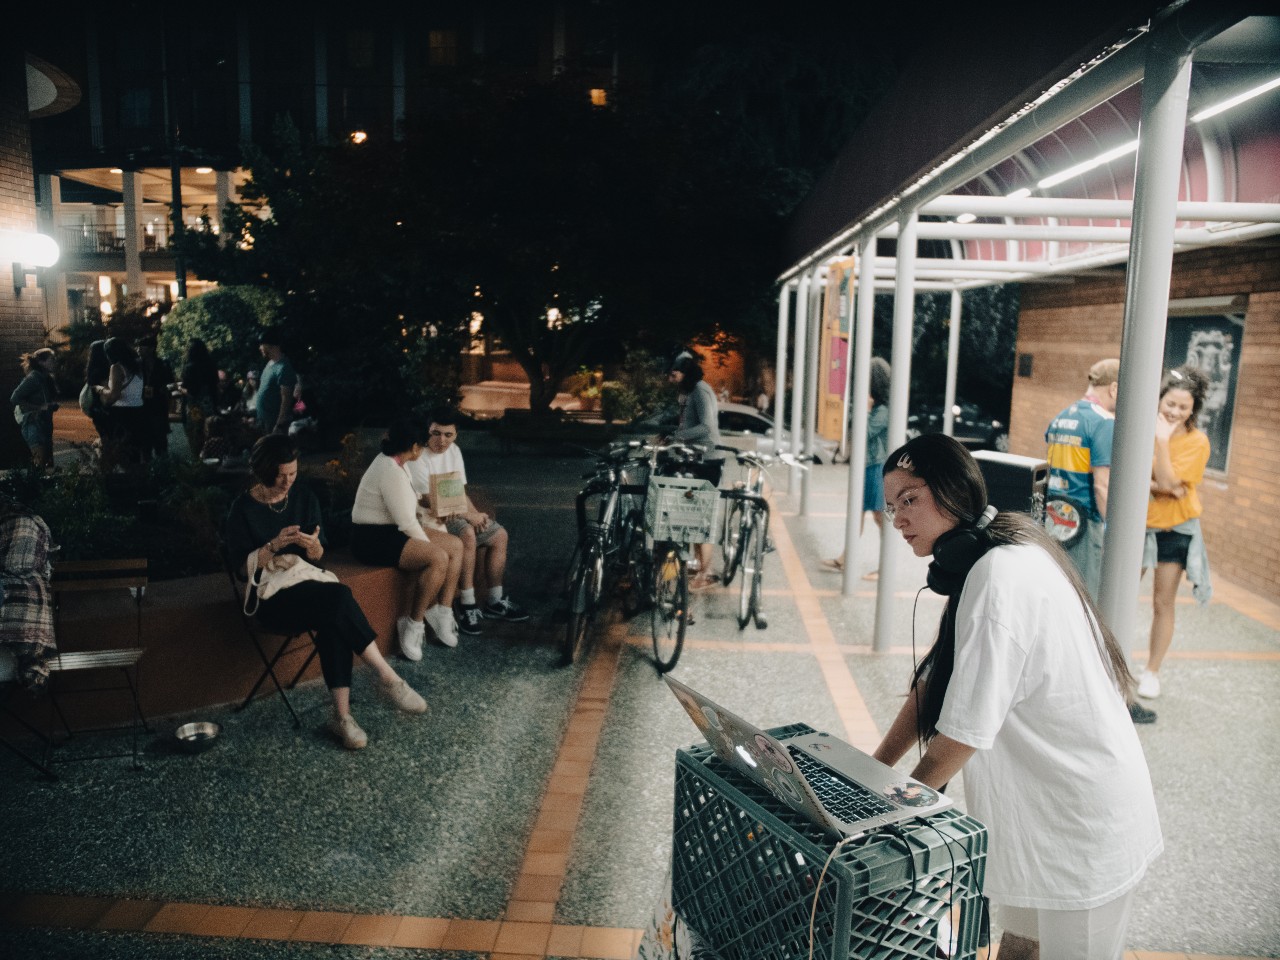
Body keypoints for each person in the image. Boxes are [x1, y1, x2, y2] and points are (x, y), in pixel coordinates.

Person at [872, 435, 1161, 960]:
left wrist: (890, 815)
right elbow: (935, 681)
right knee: (1019, 947)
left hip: (1080, 826)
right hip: (1040, 822)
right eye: (892, 506)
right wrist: (873, 772)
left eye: (910, 499)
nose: (898, 518)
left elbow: (961, 735)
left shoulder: (1000, 578)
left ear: (954, 492)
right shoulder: (996, 557)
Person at [224, 434, 426, 750]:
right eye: (280, 475)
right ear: (263, 472)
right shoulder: (243, 509)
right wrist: (274, 545)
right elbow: (241, 570)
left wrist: (312, 546)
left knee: (333, 612)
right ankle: (386, 678)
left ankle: (343, 717)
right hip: (271, 598)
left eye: (292, 473)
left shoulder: (303, 497)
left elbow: (318, 557)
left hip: (308, 585)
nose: (287, 481)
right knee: (337, 599)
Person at [405, 408, 528, 636]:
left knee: (499, 535)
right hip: (431, 519)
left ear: (456, 435)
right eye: (436, 433)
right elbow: (428, 500)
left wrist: (476, 513)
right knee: (467, 534)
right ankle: (467, 604)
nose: (442, 441)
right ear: (427, 431)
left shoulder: (454, 451)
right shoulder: (418, 455)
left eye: (448, 435)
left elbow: (459, 491)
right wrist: (468, 516)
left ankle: (495, 600)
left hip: (454, 512)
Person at [350, 418, 461, 656]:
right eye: (422, 444)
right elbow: (407, 523)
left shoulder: (399, 463)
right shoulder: (389, 469)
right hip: (372, 539)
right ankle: (413, 624)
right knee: (438, 558)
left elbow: (410, 503)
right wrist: (430, 547)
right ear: (413, 447)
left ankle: (442, 612)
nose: (425, 448)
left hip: (391, 531)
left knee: (455, 546)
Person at [1137, 366, 1212, 704]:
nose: (1175, 412)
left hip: (1175, 528)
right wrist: (1164, 488)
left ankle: (1151, 672)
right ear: (1159, 399)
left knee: (1162, 602)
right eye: (1170, 404)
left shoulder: (1197, 442)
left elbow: (1168, 481)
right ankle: (1107, 659)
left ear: (1193, 409)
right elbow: (1157, 482)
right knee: (1120, 593)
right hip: (1138, 525)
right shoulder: (1140, 427)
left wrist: (1163, 443)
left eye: (1184, 407)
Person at [1044, 358, 1120, 601]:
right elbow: (1102, 486)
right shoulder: (1104, 422)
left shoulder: (1061, 417)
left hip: (1054, 519)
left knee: (1057, 592)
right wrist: (1114, 531)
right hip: (1084, 524)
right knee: (1084, 601)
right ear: (1114, 388)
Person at [823, 356, 890, 577]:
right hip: (868, 466)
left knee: (880, 517)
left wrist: (866, 409)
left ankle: (885, 567)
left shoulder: (883, 411)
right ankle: (844, 559)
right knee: (858, 512)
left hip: (876, 468)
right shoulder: (877, 408)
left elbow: (864, 432)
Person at [667, 353, 724, 590]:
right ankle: (699, 566)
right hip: (695, 459)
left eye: (674, 375)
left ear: (685, 373)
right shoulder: (691, 391)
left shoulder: (700, 390)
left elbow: (706, 427)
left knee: (702, 518)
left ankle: (706, 572)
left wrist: (677, 436)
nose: (670, 380)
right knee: (693, 516)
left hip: (707, 461)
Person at [96, 337, 146, 465]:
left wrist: (101, 390)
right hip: (139, 411)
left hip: (122, 414)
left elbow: (115, 394)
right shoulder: (138, 365)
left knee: (121, 452)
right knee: (135, 451)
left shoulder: (116, 368)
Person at [10, 348, 58, 469]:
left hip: (44, 426)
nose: (55, 362)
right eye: (51, 359)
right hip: (33, 425)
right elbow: (14, 398)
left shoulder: (46, 379)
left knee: (46, 465)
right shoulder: (34, 378)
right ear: (41, 362)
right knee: (40, 464)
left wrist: (51, 405)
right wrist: (39, 407)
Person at [135, 335, 174, 459]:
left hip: (158, 406)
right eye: (138, 347)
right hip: (141, 407)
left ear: (152, 348)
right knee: (144, 444)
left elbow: (171, 383)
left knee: (160, 442)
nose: (138, 349)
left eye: (142, 347)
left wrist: (164, 389)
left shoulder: (162, 364)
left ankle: (163, 467)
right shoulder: (136, 365)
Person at [179, 338, 220, 453]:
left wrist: (180, 389)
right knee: (210, 433)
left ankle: (198, 459)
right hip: (210, 405)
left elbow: (191, 392)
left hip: (195, 408)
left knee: (196, 434)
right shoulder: (211, 365)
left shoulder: (190, 367)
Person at [255, 330, 297, 436]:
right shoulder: (269, 364)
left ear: (271, 345)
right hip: (263, 420)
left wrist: (279, 424)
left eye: (262, 344)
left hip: (274, 423)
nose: (260, 348)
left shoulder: (283, 368)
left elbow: (286, 399)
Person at [83, 339, 112, 447]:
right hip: (106, 408)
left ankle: (103, 455)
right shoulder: (106, 370)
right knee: (111, 439)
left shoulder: (91, 370)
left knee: (105, 438)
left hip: (96, 409)